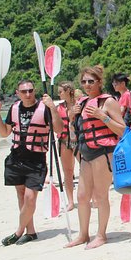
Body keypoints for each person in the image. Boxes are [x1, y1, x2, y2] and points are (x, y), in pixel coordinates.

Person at [0, 79, 62, 246]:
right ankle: (30, 232)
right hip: (16, 158)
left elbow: (59, 129)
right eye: (24, 91)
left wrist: (53, 107)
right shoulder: (15, 108)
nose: (28, 94)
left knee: (30, 199)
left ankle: (18, 232)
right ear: (18, 93)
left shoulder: (44, 108)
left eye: (31, 90)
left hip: (36, 160)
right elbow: (4, 132)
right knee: (21, 196)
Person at [66, 66, 125, 249]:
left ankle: (101, 235)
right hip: (86, 154)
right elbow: (74, 128)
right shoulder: (82, 103)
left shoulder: (108, 102)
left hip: (103, 153)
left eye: (91, 81)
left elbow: (123, 130)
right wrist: (71, 116)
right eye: (83, 81)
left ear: (99, 82)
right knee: (82, 196)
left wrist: (103, 117)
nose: (87, 85)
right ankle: (83, 235)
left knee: (100, 196)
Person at [56, 81, 79, 210]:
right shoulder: (59, 108)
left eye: (61, 92)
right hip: (64, 141)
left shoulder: (79, 104)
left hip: (78, 140)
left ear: (68, 91)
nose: (59, 94)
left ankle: (92, 197)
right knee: (68, 172)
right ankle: (70, 201)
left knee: (86, 170)